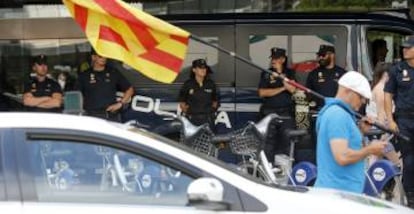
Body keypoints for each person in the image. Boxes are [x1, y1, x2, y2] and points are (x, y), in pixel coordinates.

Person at [314, 71, 387, 193]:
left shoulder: (339, 114)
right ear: (348, 91)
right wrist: (370, 149)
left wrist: (361, 131)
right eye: (361, 97)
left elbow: (346, 146)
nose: (363, 102)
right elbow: (342, 157)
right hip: (337, 194)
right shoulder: (338, 115)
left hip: (342, 192)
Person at [384, 35, 414, 208]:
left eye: (409, 47)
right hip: (404, 120)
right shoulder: (397, 69)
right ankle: (410, 196)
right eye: (403, 47)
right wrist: (390, 119)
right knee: (409, 161)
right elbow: (388, 94)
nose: (405, 50)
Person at [257, 47, 296, 162]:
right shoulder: (266, 73)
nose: (273, 61)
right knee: (267, 145)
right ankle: (268, 171)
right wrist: (283, 88)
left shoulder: (290, 73)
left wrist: (280, 75)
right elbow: (262, 92)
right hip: (269, 113)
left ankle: (287, 172)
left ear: (283, 59)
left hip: (286, 113)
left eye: (276, 58)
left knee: (288, 143)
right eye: (272, 58)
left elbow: (293, 89)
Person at [77, 49, 134, 122]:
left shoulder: (113, 72)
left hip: (110, 116)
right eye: (100, 56)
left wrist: (120, 104)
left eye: (105, 56)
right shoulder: (84, 75)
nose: (103, 59)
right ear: (93, 57)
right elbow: (77, 95)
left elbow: (130, 89)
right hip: (91, 117)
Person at [178, 58, 218, 129]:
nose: (203, 70)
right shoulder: (188, 84)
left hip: (208, 120)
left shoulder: (211, 84)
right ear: (194, 70)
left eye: (205, 68)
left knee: (208, 139)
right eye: (200, 68)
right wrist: (191, 113)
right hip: (192, 119)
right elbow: (182, 103)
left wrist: (210, 111)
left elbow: (215, 101)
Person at [306, 45, 347, 110]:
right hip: (319, 110)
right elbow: (308, 93)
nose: (321, 57)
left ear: (332, 55)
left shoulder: (343, 73)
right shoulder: (313, 74)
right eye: (319, 55)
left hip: (338, 109)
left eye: (323, 55)